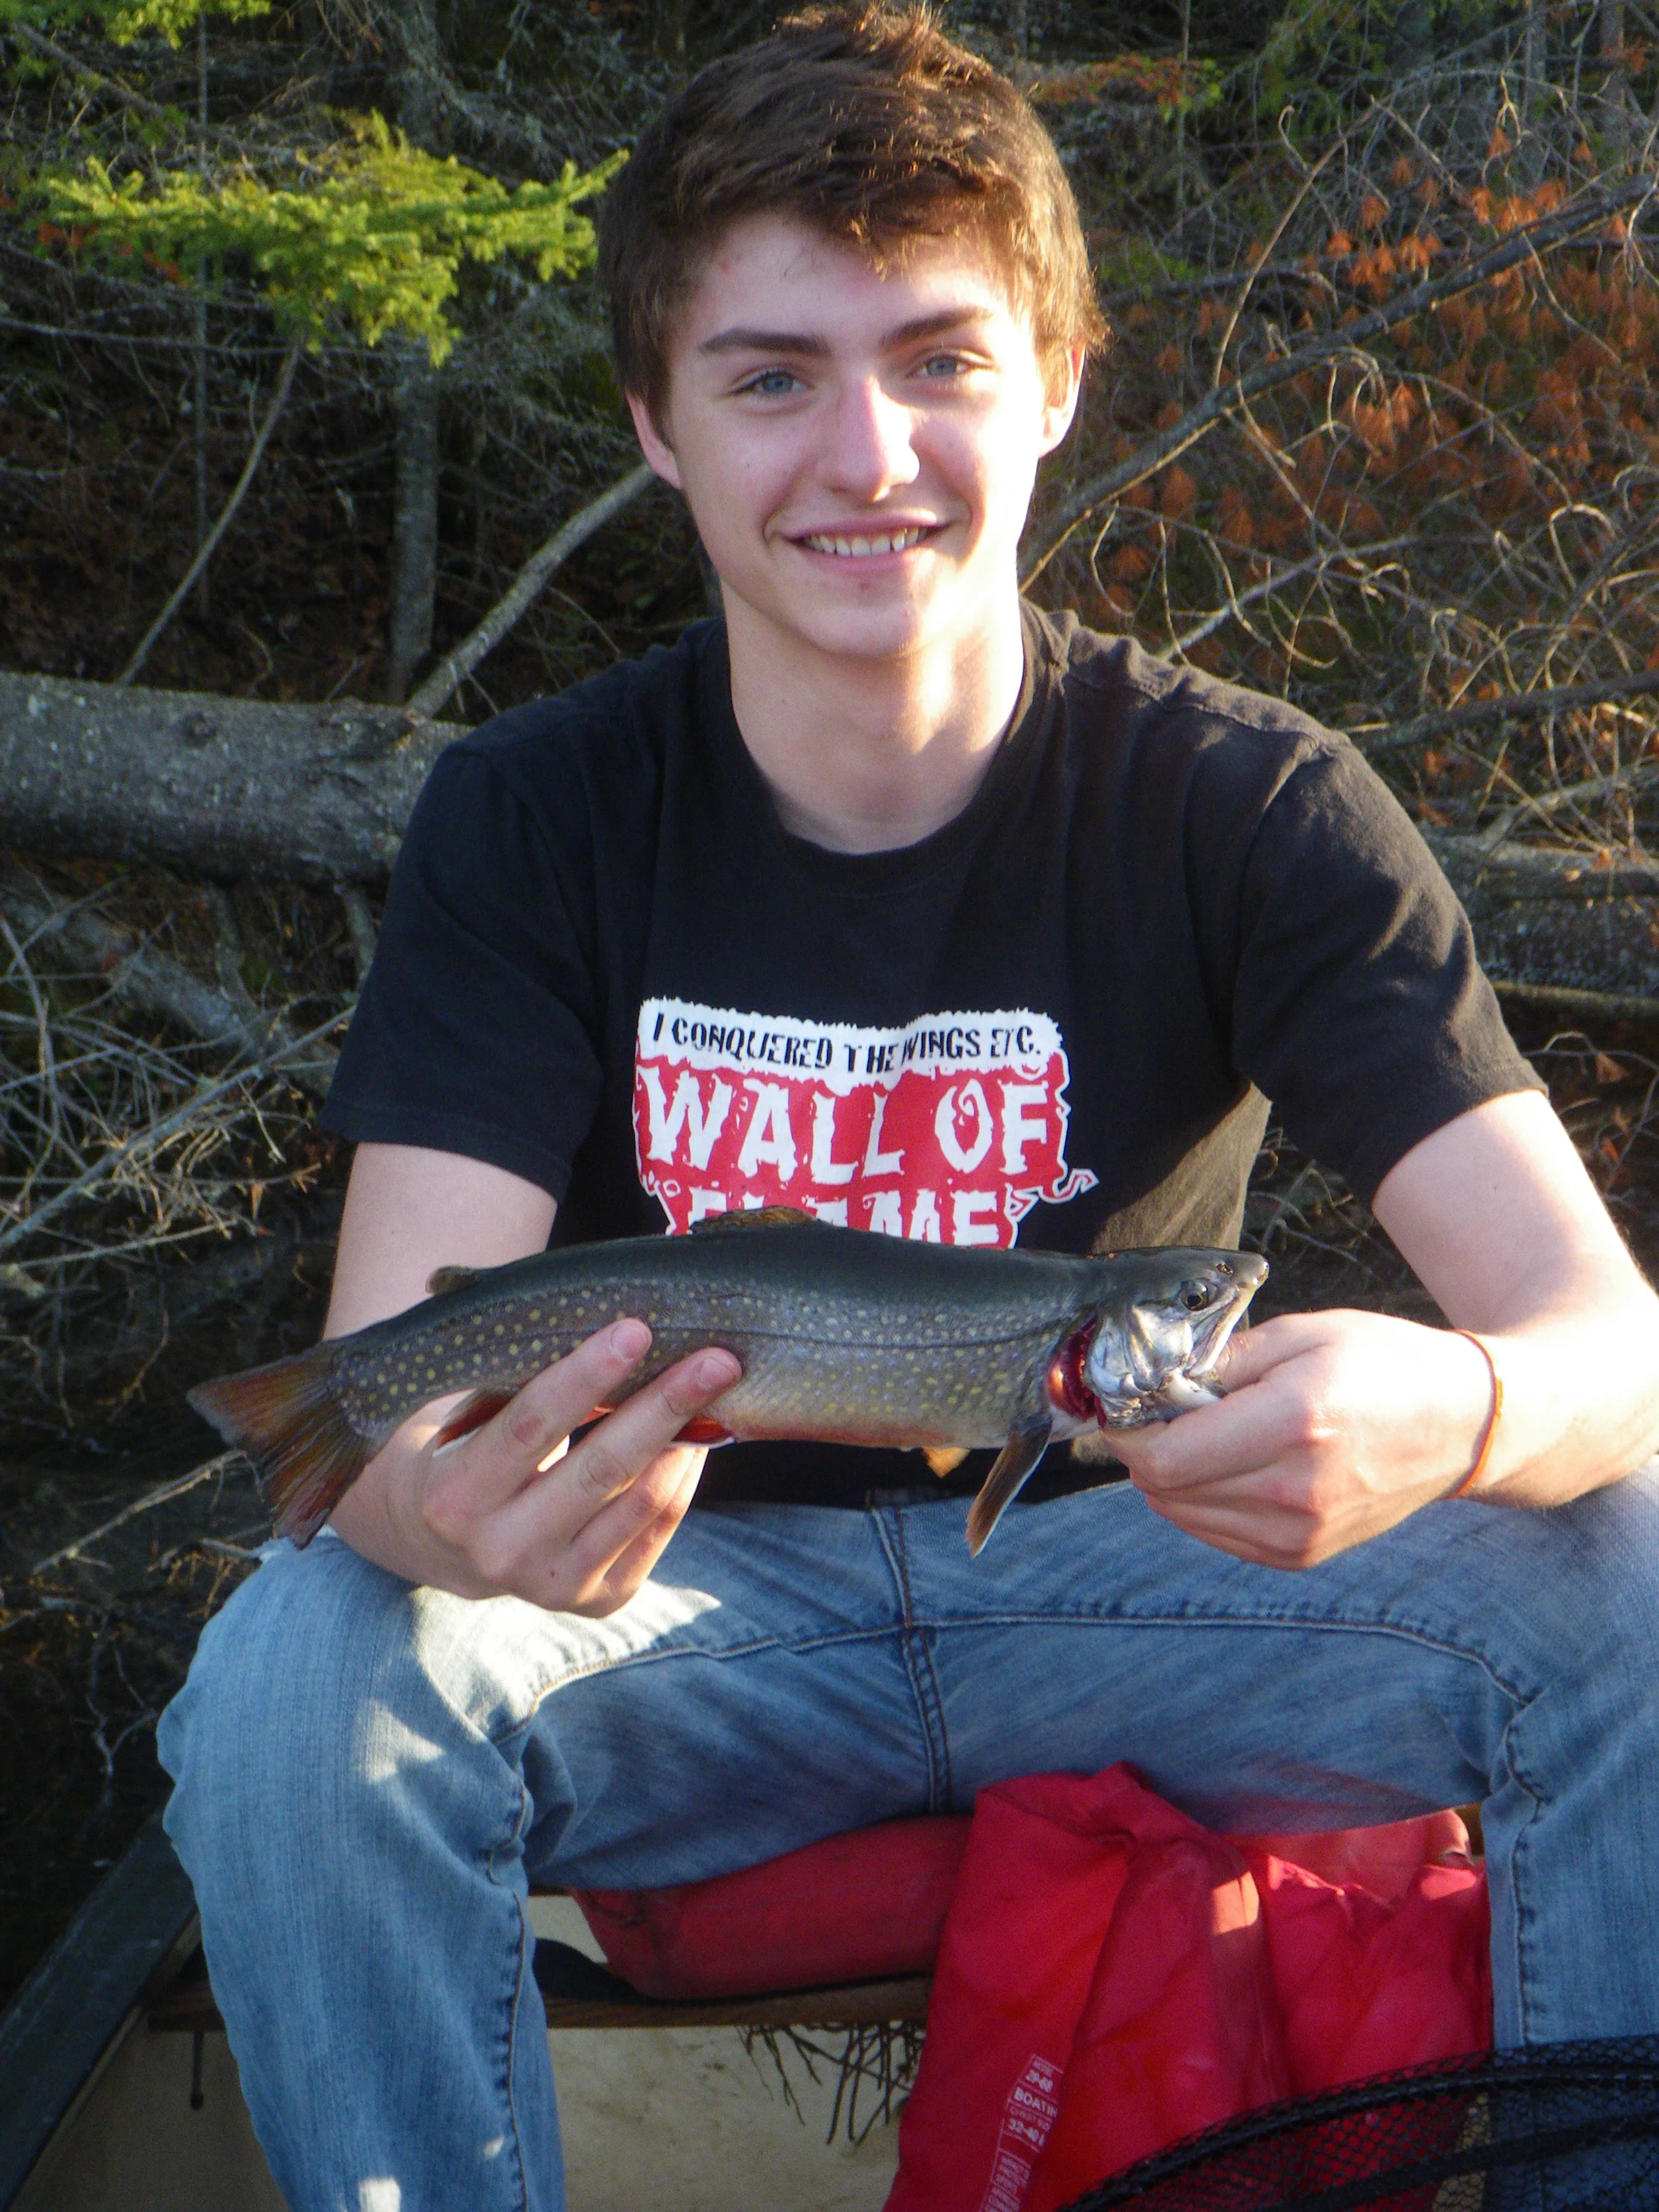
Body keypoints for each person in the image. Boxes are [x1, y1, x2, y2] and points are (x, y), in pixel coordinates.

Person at [159, 8, 1659, 2207]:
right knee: (297, 1672)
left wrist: (1455, 1411)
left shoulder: (1253, 806)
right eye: (773, 374)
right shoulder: (533, 813)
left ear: (1055, 380)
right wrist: (441, 1518)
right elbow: (389, 1387)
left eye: (938, 359)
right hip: (665, 1629)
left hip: (1130, 1587)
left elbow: (1608, 1350)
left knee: (1628, 1562)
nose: (864, 453)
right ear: (656, 426)